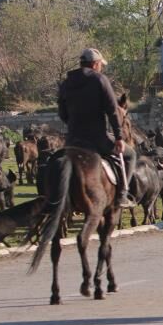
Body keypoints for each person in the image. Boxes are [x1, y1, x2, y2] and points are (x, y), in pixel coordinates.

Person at [57, 48, 136, 208]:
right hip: (97, 139)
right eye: (101, 64)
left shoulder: (66, 83)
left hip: (73, 140)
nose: (101, 67)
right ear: (95, 64)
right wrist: (119, 137)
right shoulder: (100, 79)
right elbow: (113, 111)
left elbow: (62, 113)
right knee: (130, 156)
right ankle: (122, 195)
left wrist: (75, 126)